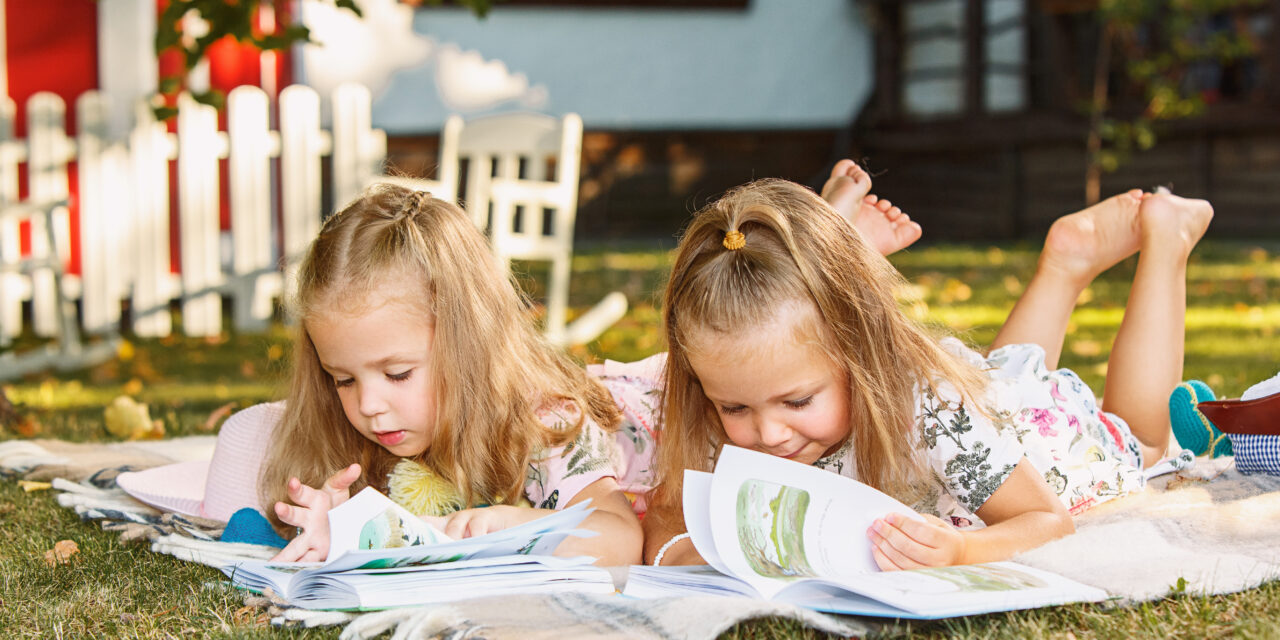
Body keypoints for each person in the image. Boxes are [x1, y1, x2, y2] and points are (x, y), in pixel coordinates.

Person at [642, 177, 1212, 570]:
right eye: (734, 408)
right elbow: (665, 524)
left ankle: (1167, 237)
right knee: (996, 385)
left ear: (862, 352)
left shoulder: (929, 409)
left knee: (1144, 438)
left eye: (797, 402)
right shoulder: (733, 399)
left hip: (1047, 446)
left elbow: (1046, 521)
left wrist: (963, 551)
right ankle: (1064, 263)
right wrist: (699, 553)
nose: (766, 433)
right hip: (987, 410)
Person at [258, 185, 654, 565]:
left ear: (470, 347)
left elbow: (620, 542)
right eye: (343, 379)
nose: (368, 405)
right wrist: (344, 528)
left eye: (397, 374)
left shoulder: (545, 424)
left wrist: (515, 527)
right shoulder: (367, 428)